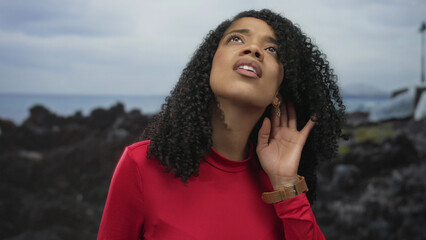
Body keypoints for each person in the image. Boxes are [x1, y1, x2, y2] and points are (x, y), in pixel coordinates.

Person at [98, 9, 344, 239]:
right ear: (208, 65)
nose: (254, 50)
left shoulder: (278, 191)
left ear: (277, 92)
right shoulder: (142, 164)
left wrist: (285, 184)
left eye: (272, 50)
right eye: (237, 39)